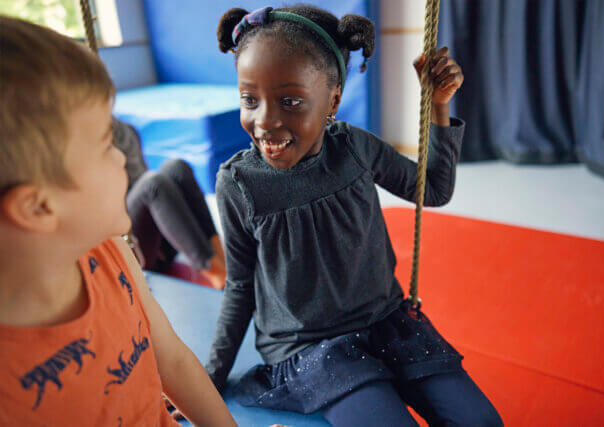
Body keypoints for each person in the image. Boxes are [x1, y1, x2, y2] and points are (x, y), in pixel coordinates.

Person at [205, 5, 503, 427]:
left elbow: (432, 189)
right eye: (249, 99)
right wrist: (210, 377)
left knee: (482, 423)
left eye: (290, 101)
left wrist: (437, 106)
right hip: (309, 348)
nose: (265, 120)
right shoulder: (238, 184)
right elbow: (239, 287)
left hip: (386, 322)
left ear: (333, 100)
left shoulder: (355, 150)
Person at [0, 16, 236, 426]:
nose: (118, 157)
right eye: (105, 145)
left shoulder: (109, 252)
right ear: (39, 208)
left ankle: (218, 266)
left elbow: (174, 363)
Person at [113, 117, 227, 289]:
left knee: (176, 167)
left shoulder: (127, 130)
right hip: (129, 243)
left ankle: (221, 259)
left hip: (160, 242)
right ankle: (217, 274)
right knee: (153, 183)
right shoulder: (86, 141)